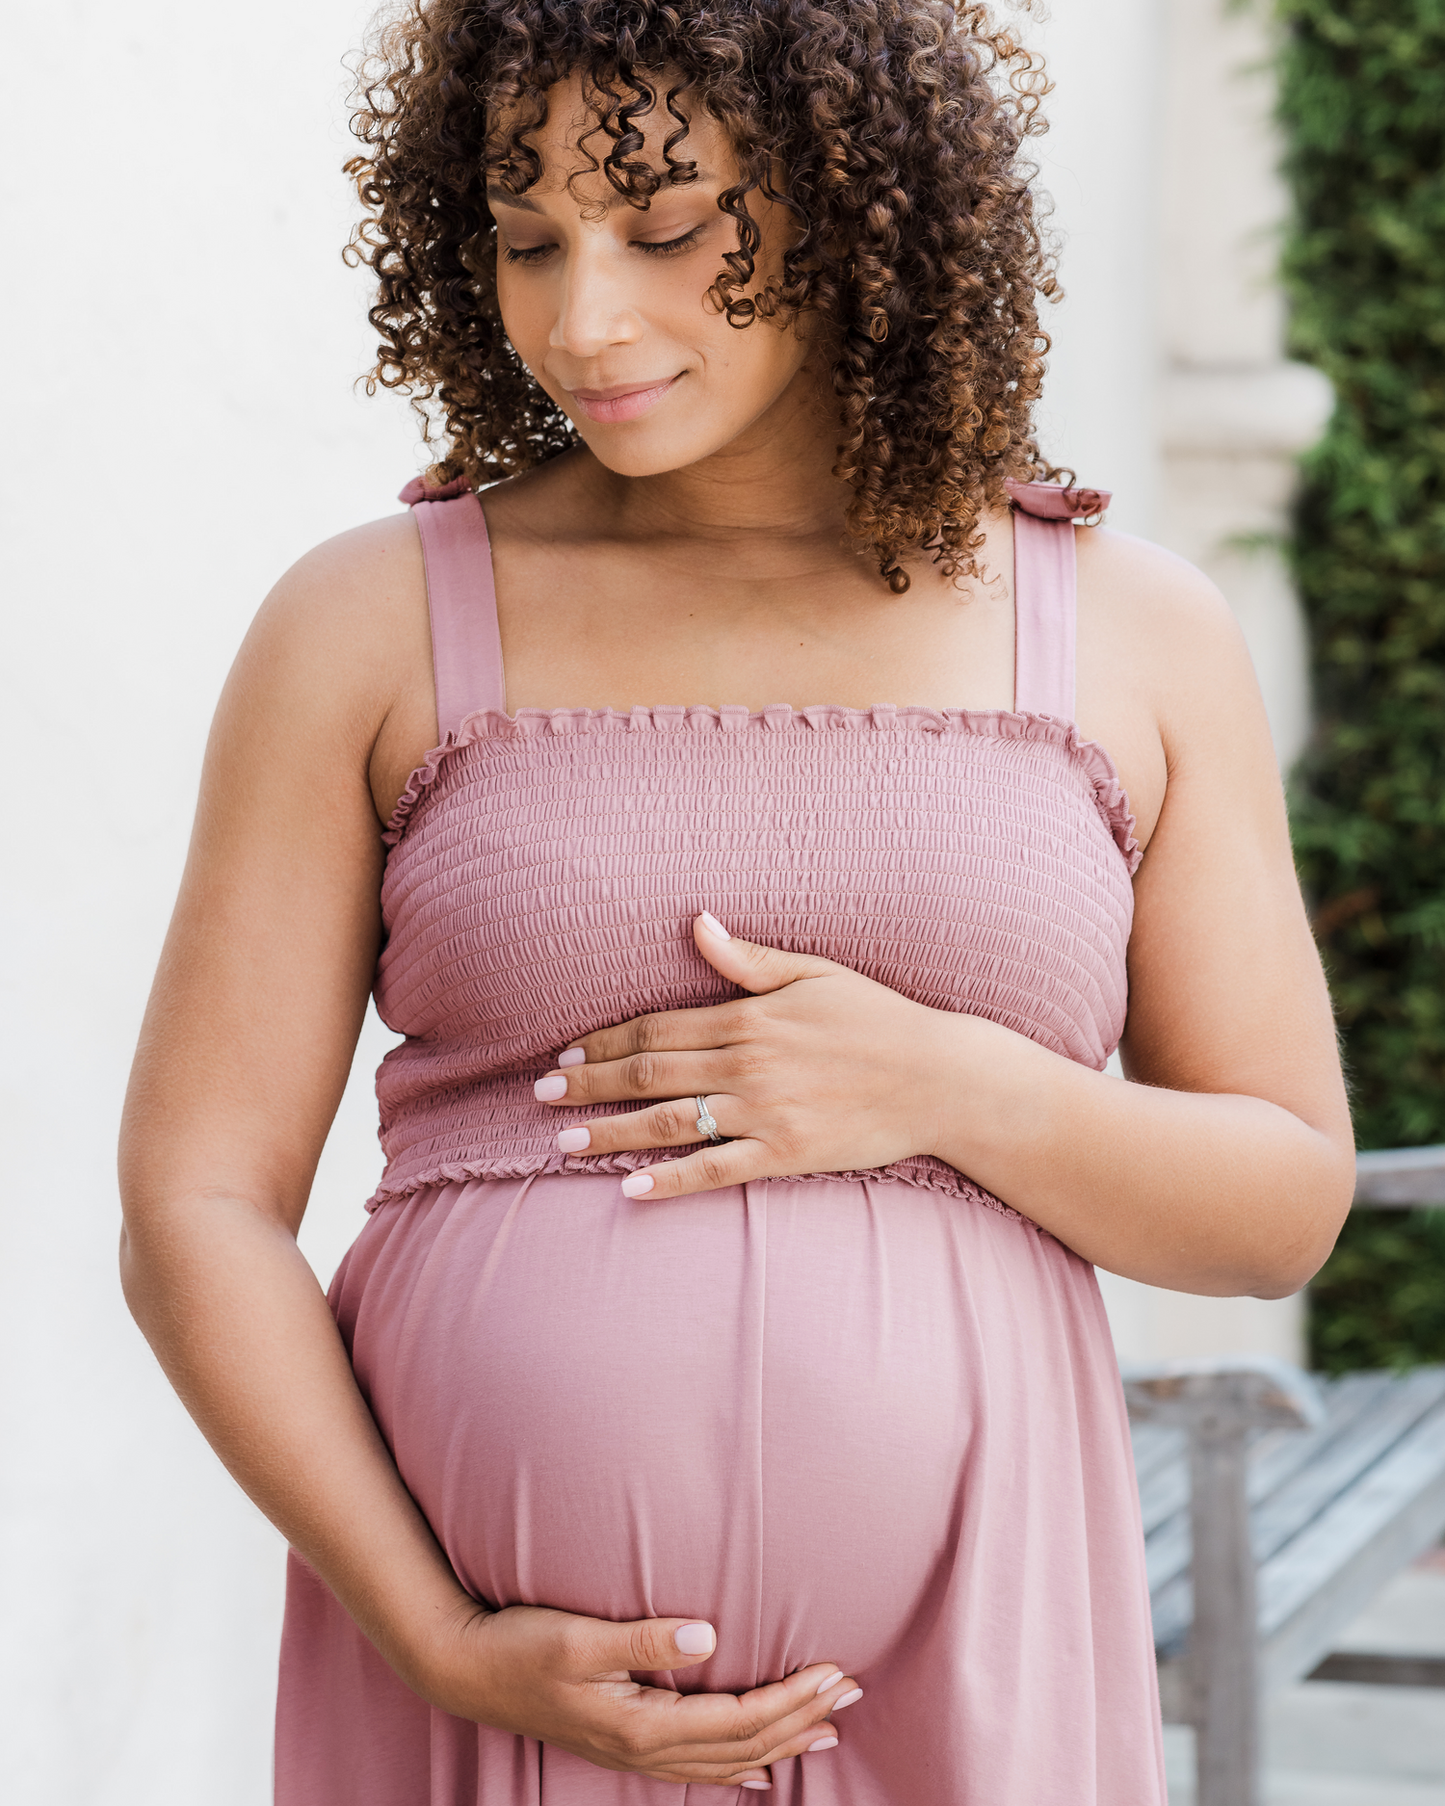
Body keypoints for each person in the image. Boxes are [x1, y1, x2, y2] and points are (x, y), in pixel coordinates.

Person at [118, 0, 1355, 1800]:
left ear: (861, 206)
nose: (581, 318)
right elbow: (193, 1203)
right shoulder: (374, 619)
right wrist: (432, 1630)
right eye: (527, 241)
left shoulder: (1129, 630)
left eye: (670, 228)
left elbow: (1281, 1203)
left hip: (970, 1672)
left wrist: (945, 1084)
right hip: (489, 1682)